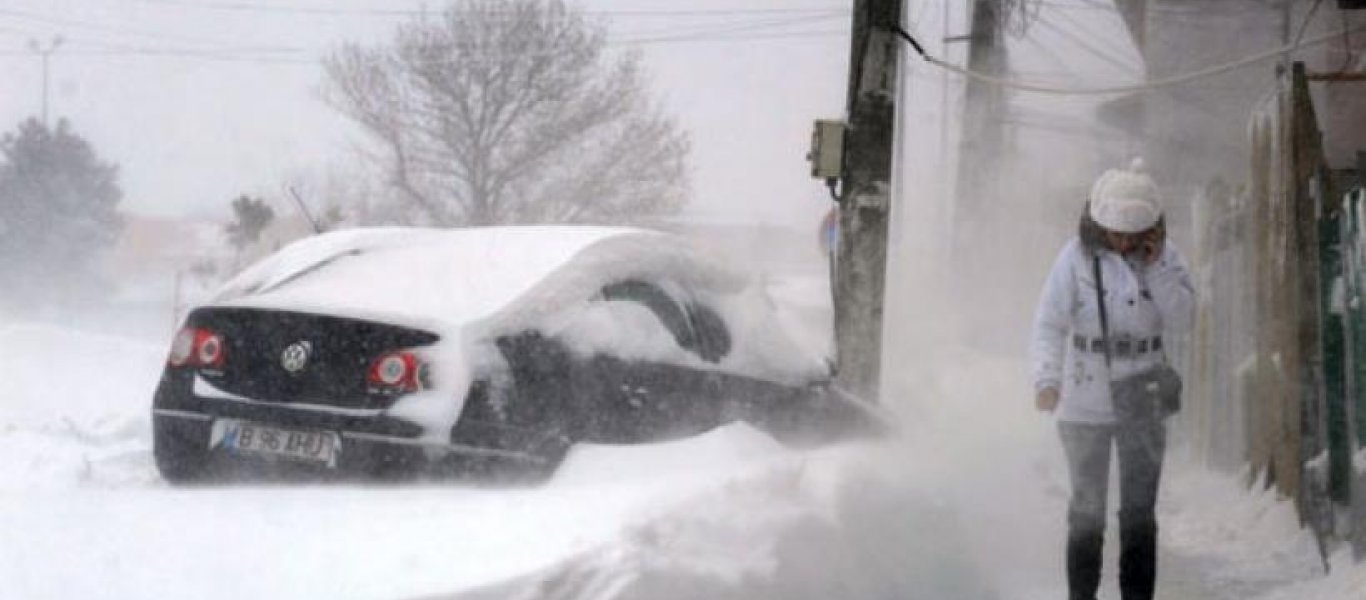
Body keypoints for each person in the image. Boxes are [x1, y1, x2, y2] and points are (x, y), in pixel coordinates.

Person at [1029, 160, 1195, 600]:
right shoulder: (1073, 259)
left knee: (1139, 512)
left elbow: (1184, 319)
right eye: (1115, 234)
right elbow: (1048, 323)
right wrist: (1047, 379)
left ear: (1151, 229)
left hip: (1144, 393)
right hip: (1084, 398)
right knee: (1086, 511)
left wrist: (1157, 268)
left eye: (1133, 235)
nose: (1123, 244)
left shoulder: (1167, 259)